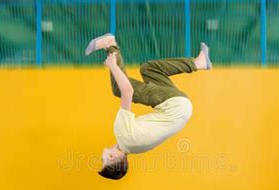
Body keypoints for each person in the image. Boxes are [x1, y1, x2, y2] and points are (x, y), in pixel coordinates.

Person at [85, 33, 212, 180]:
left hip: (182, 107)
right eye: (103, 160)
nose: (102, 157)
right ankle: (110, 44)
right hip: (173, 104)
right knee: (119, 89)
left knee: (149, 69)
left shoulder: (135, 148)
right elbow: (128, 91)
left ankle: (199, 63)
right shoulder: (123, 136)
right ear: (112, 157)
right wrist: (113, 66)